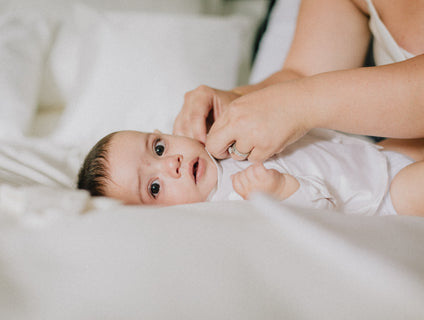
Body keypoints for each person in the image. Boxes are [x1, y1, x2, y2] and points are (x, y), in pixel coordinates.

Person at [173, 0, 424, 214]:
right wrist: (238, 101)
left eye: (159, 148)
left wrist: (298, 105)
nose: (170, 163)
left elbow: (302, 96)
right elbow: (303, 73)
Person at [77, 129, 424, 216]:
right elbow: (320, 219)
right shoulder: (229, 206)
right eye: (154, 188)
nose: (172, 164)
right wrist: (282, 192)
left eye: (158, 148)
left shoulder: (222, 142)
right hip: (382, 198)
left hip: (375, 155)